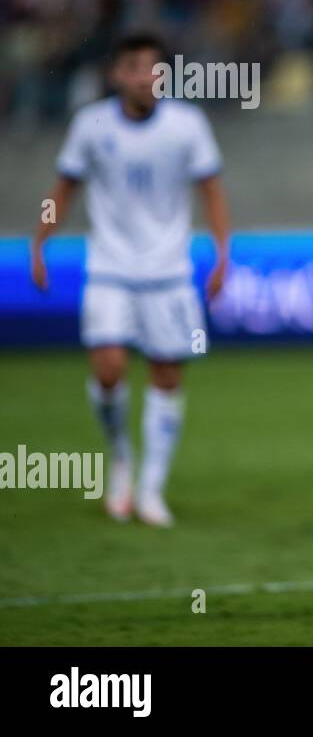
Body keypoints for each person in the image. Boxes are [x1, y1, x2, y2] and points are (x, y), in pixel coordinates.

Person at [31, 33, 231, 527]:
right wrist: (39, 241)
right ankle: (121, 460)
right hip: (110, 268)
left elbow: (211, 192)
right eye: (135, 67)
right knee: (109, 369)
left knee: (166, 376)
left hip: (168, 272)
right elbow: (63, 188)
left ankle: (151, 489)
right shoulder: (90, 125)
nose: (147, 76)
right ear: (117, 75)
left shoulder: (187, 125)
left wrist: (223, 254)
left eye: (155, 68)